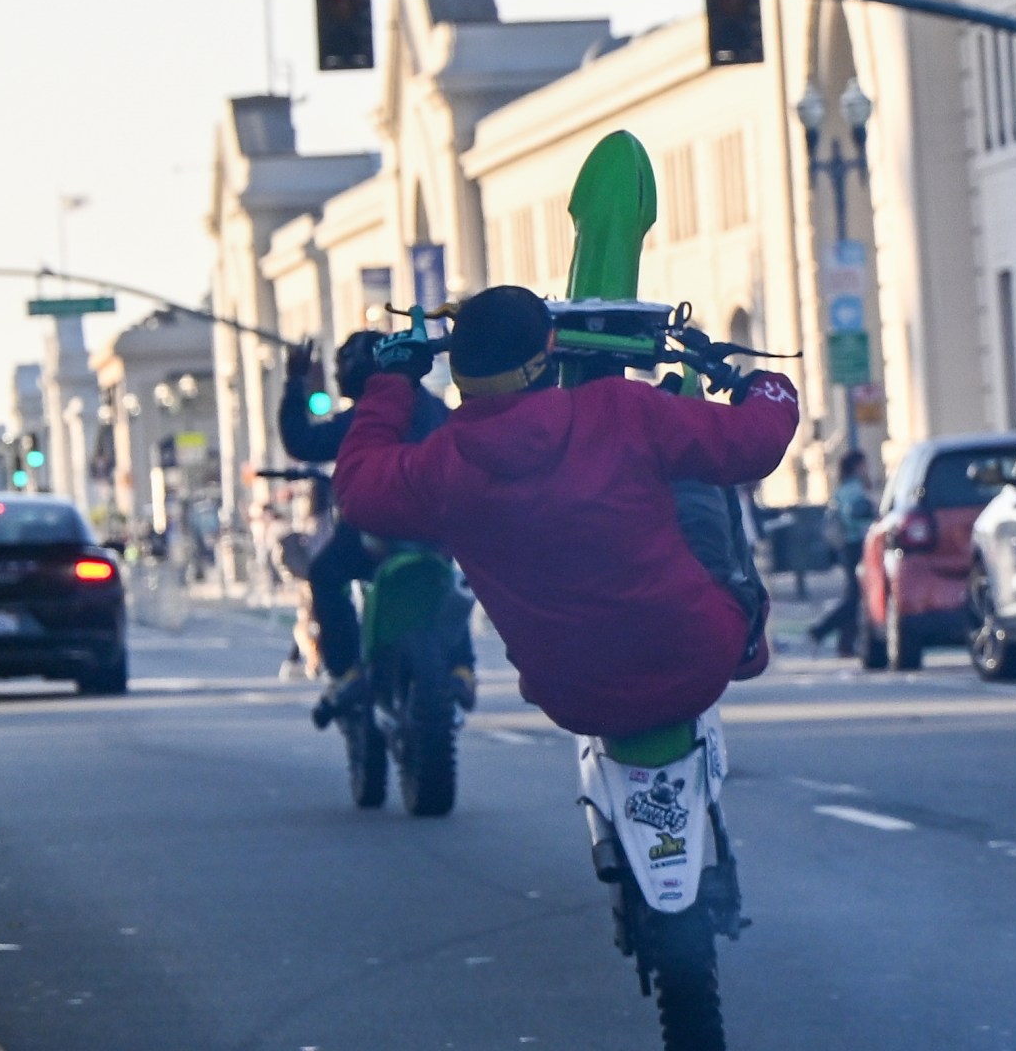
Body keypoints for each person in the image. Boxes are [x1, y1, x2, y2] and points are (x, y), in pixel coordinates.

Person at [334, 286, 799, 741]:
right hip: (702, 660)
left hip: (571, 697)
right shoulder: (625, 411)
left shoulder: (441, 466)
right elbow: (754, 444)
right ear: (550, 346)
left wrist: (393, 381)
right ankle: (748, 640)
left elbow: (355, 487)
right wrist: (767, 388)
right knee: (697, 468)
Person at [278, 333, 467, 721]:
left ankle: (346, 671)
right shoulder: (436, 410)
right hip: (435, 526)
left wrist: (295, 383)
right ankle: (462, 667)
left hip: (377, 526)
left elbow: (302, 441)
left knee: (325, 574)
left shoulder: (367, 414)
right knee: (451, 580)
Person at [805, 448, 875, 657]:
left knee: (856, 596)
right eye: (864, 464)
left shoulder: (843, 488)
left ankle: (846, 644)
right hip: (856, 545)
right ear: (857, 466)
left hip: (847, 546)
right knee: (854, 598)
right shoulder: (854, 489)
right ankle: (819, 631)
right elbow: (857, 513)